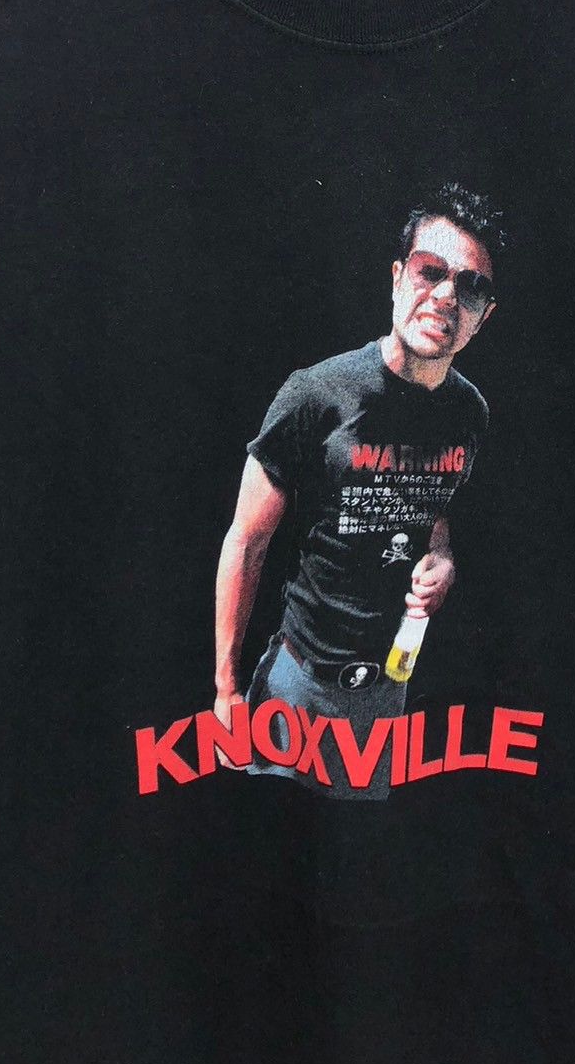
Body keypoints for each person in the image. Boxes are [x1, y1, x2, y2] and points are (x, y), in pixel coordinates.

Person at [211, 181, 500, 798]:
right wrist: (227, 690)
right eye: (430, 271)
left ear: (483, 316)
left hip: (386, 694)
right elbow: (246, 541)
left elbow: (433, 510)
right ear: (398, 277)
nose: (447, 295)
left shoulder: (469, 412)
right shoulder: (317, 393)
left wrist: (443, 558)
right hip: (295, 686)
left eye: (470, 286)